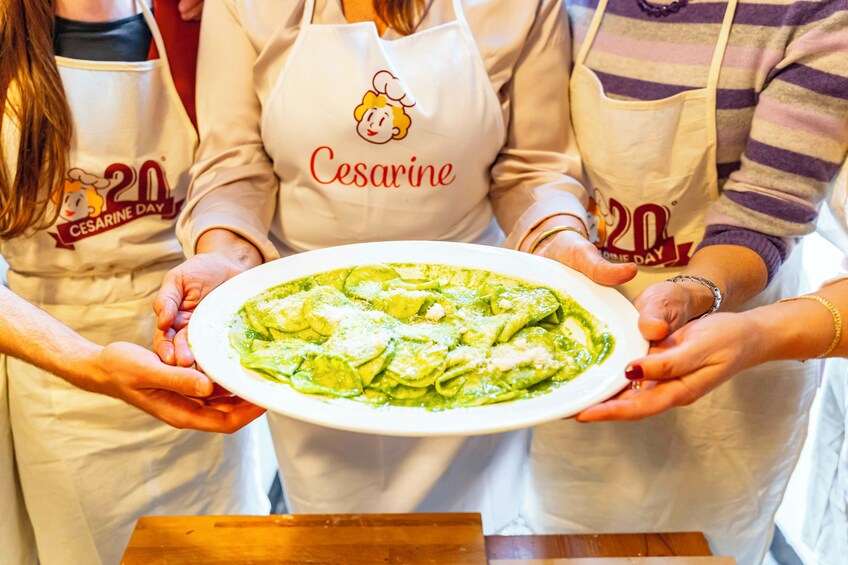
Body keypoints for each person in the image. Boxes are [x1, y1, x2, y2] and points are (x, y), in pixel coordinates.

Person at [154, 0, 617, 534]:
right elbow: (235, 163)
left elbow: (531, 167)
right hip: (308, 332)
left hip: (474, 329)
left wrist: (557, 238)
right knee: (335, 536)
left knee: (469, 536)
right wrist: (224, 257)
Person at [521, 1, 848, 563]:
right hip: (580, 338)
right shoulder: (569, 6)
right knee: (570, 538)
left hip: (730, 349)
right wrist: (559, 234)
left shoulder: (814, 13)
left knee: (702, 545)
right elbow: (544, 160)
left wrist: (694, 291)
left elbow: (765, 211)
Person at [0, 2, 268, 564]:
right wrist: (85, 362)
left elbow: (242, 169)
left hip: (194, 339)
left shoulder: (201, 21)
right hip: (55, 367)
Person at [572, 163, 848, 564]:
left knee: (714, 536)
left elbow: (773, 198)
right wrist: (695, 294)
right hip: (615, 325)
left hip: (748, 345)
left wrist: (755, 332)